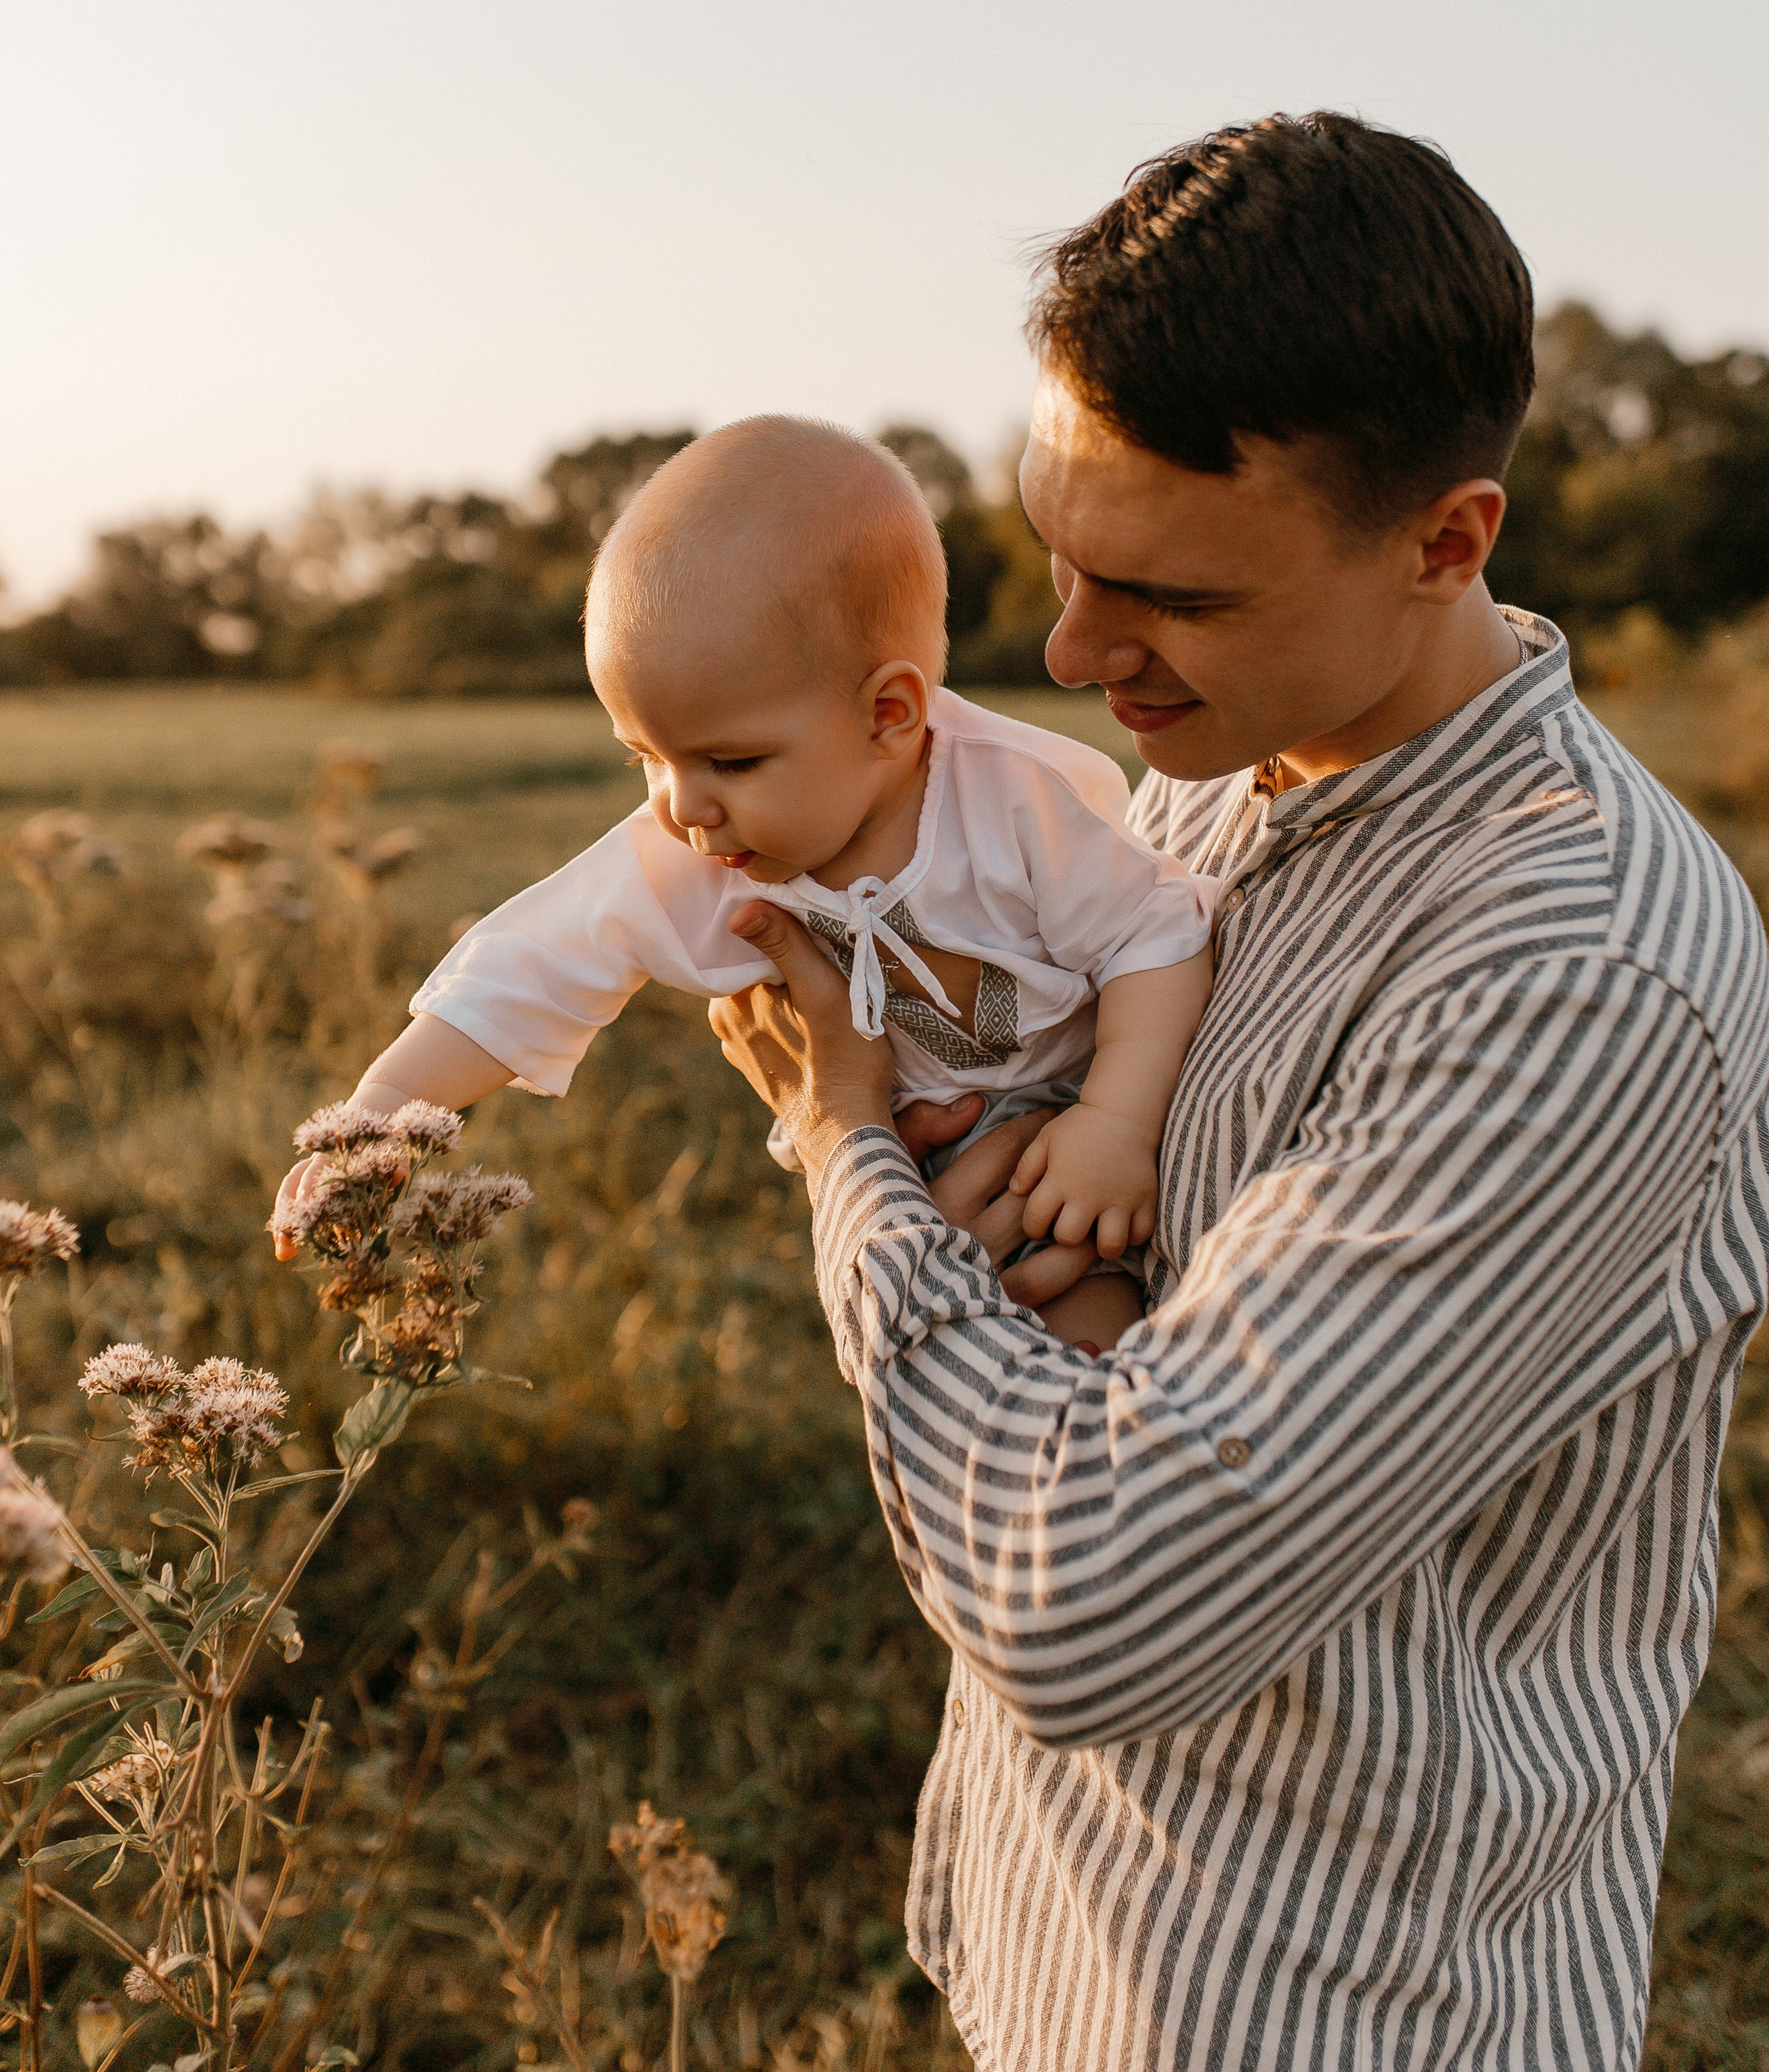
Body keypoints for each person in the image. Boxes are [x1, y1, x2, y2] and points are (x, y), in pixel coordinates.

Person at [706, 113, 1769, 2072]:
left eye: (1177, 598)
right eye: (1058, 558)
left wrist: (844, 1143)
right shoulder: (1184, 790)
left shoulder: (1574, 973)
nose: (1069, 648)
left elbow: (1104, 1605)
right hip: (1060, 1947)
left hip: (1329, 2003)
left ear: (1448, 539)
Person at [272, 418, 1215, 1353]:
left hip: (1078, 1117)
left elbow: (1158, 938)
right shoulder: (698, 850)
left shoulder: (1013, 806)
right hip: (898, 1160)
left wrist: (1114, 1122)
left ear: (889, 714)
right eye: (646, 755)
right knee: (917, 1347)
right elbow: (528, 967)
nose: (684, 806)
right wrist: (375, 1119)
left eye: (731, 759)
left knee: (1088, 1341)